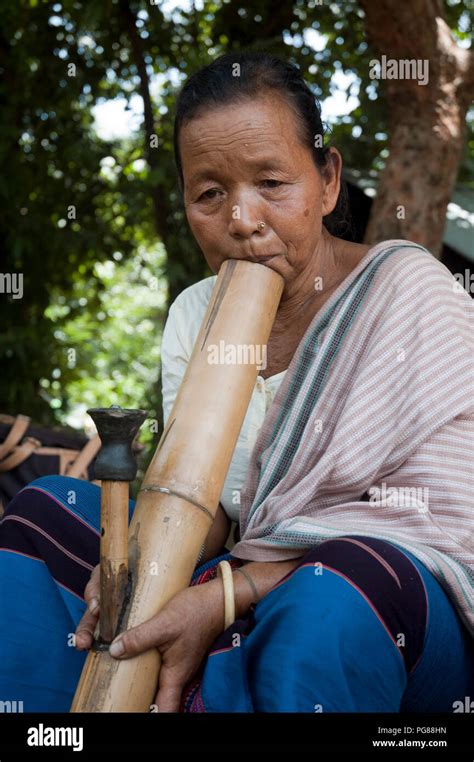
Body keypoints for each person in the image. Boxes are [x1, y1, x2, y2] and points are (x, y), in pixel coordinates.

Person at [1, 51, 473, 713]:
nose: (243, 220)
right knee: (44, 511)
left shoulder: (407, 292)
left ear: (328, 180)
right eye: (210, 194)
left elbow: (434, 528)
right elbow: (212, 506)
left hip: (386, 589)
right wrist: (137, 566)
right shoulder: (197, 310)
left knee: (331, 595)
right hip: (242, 561)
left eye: (272, 183)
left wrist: (224, 594)